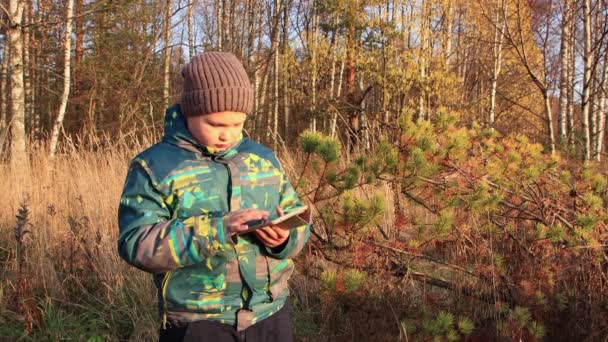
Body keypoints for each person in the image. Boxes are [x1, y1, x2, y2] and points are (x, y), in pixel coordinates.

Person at [117, 51, 310, 342]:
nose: (228, 135)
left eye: (237, 124)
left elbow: (296, 217)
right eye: (216, 125)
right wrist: (218, 229)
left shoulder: (262, 158)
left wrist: (284, 240)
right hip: (198, 323)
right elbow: (136, 243)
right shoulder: (154, 167)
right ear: (190, 112)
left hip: (270, 314)